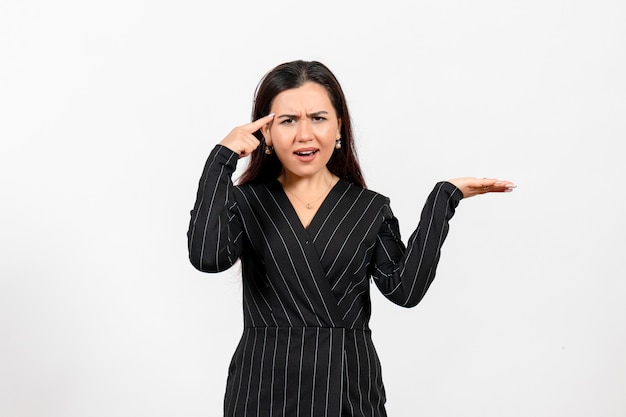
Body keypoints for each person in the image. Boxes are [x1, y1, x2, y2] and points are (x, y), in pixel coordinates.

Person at [187, 60, 515, 417]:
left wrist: (444, 199)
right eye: (287, 121)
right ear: (264, 131)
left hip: (347, 389)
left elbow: (405, 291)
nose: (304, 135)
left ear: (339, 125)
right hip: (264, 385)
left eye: (318, 118)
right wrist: (221, 159)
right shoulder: (246, 201)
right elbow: (208, 257)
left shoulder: (369, 208)